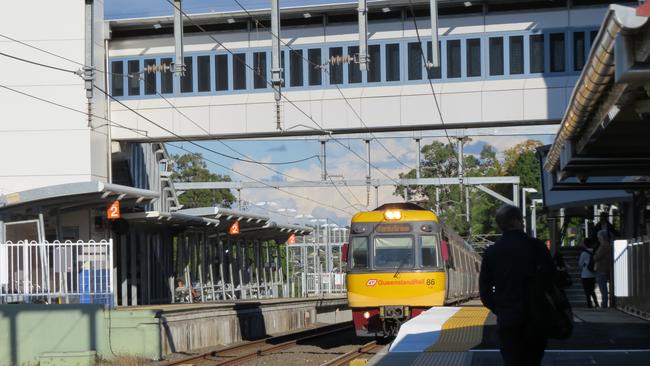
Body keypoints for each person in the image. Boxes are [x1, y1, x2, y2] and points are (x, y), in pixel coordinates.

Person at [479, 205, 555, 366]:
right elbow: (551, 278)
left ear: (500, 225)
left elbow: (485, 292)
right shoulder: (536, 246)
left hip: (508, 318)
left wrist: (500, 308)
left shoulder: (492, 252)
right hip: (536, 317)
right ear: (518, 221)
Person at [593, 230, 613, 308]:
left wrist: (595, 255)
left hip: (602, 269)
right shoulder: (606, 245)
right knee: (603, 288)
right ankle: (604, 303)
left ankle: (604, 303)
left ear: (601, 237)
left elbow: (596, 257)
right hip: (603, 268)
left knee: (603, 288)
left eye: (599, 237)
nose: (598, 238)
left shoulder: (604, 246)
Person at [578, 238, 599, 308]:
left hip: (585, 274)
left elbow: (580, 264)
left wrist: (583, 267)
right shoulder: (594, 251)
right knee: (592, 290)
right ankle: (596, 303)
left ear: (585, 244)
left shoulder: (583, 253)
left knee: (587, 291)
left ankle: (589, 304)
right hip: (593, 274)